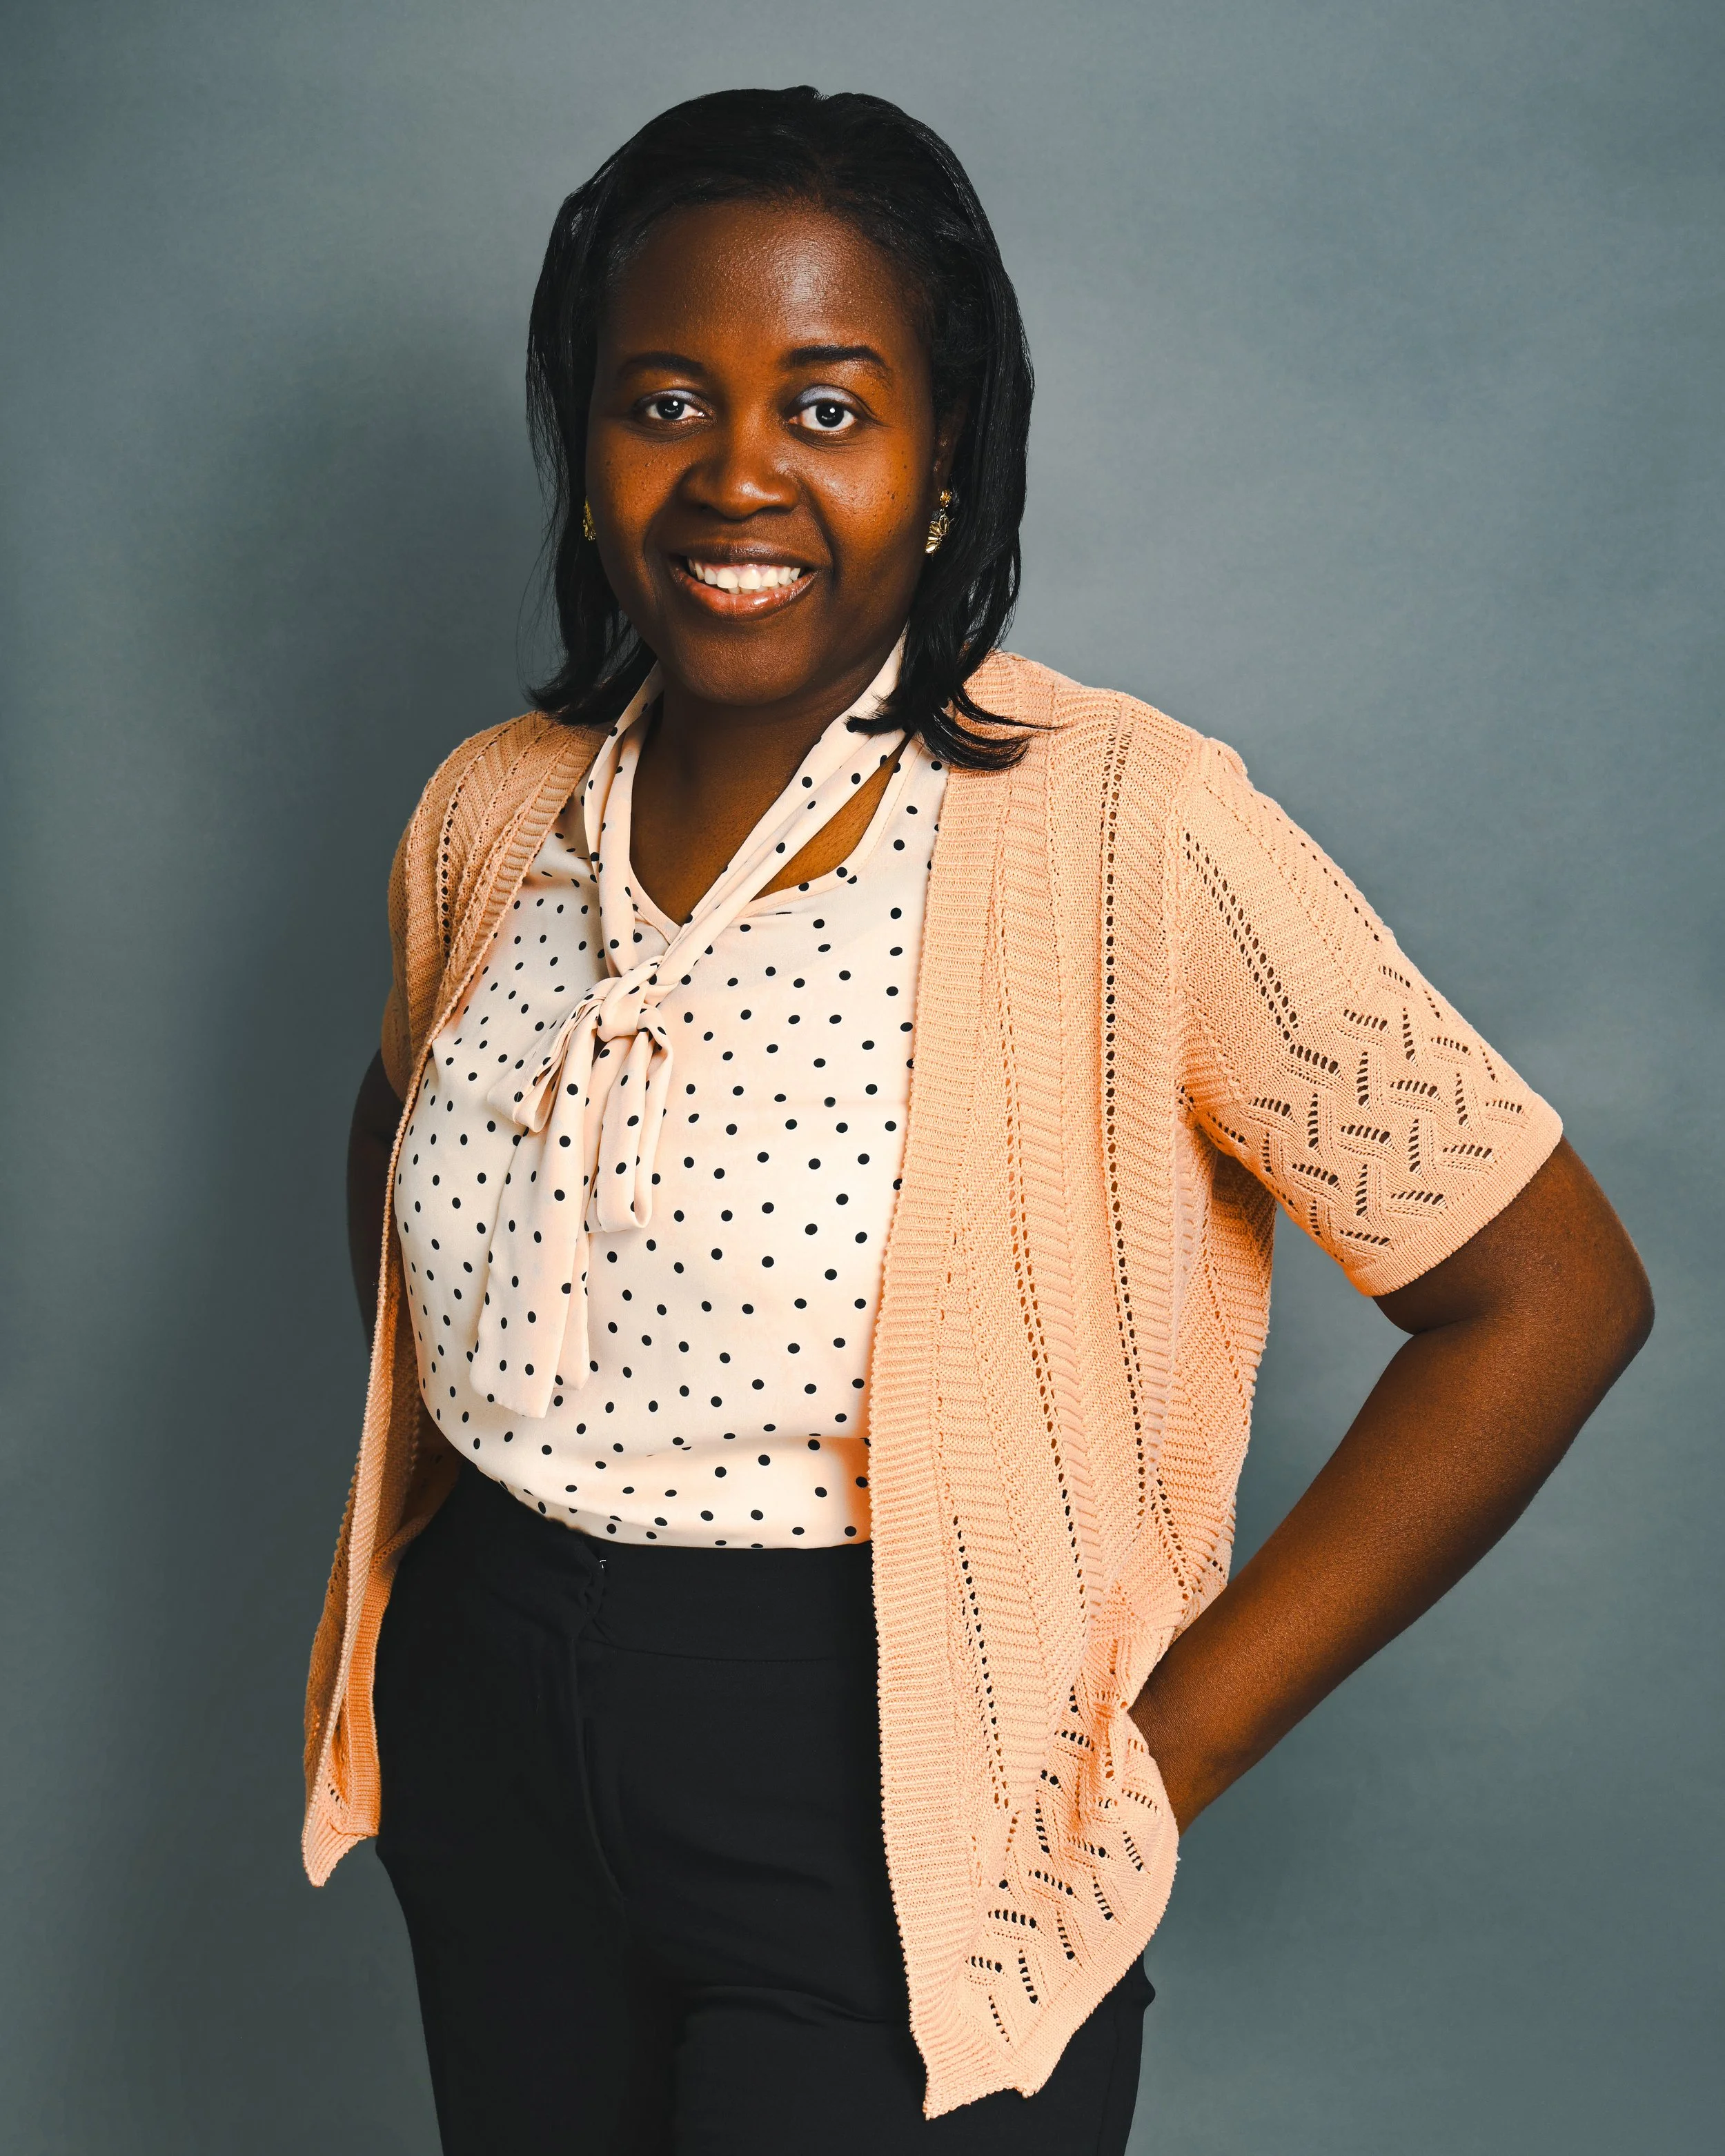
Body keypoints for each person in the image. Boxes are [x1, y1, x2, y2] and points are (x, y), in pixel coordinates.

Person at [303, 85, 1653, 2156]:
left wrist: (1149, 1759)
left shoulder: (1127, 831)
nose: (736, 472)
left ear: (948, 470)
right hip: (491, 1738)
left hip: (887, 1777)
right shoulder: (490, 810)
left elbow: (1548, 1291)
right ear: (585, 455)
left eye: (828, 409)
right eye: (664, 401)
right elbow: (405, 1144)